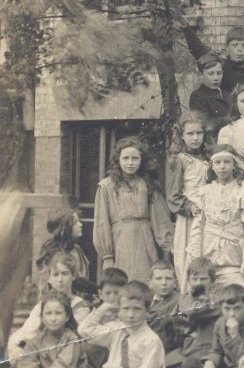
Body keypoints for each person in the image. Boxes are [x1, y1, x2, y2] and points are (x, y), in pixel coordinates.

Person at [93, 136, 173, 283]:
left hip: (145, 241)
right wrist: (107, 256)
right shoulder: (106, 187)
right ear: (118, 160)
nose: (130, 163)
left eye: (135, 158)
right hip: (121, 243)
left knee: (146, 283)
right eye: (126, 158)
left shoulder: (147, 185)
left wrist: (167, 247)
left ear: (141, 160)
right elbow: (101, 223)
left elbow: (160, 219)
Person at [186, 145, 244, 291]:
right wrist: (196, 261)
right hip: (208, 259)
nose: (222, 167)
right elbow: (197, 228)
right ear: (212, 166)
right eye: (217, 162)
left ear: (234, 165)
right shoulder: (204, 191)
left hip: (234, 260)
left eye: (227, 162)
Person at [76, 281, 166, 368]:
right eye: (126, 308)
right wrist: (104, 308)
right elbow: (84, 330)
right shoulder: (117, 330)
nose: (131, 315)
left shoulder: (151, 341)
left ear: (147, 311)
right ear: (119, 310)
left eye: (137, 309)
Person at [8, 253, 91, 361]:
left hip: (67, 358)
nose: (60, 279)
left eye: (65, 274)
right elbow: (26, 331)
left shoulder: (80, 307)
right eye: (56, 275)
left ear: (73, 276)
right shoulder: (42, 305)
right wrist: (15, 347)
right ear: (49, 279)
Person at [167, 113, 211, 290]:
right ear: (182, 136)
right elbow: (173, 195)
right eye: (190, 134)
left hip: (209, 215)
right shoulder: (179, 160)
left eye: (199, 133)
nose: (195, 138)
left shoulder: (208, 159)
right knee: (187, 259)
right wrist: (188, 207)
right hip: (189, 218)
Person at [11, 291, 89, 368]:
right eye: (48, 313)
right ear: (42, 317)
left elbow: (61, 367)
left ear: (67, 317)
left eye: (58, 313)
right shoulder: (36, 341)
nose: (53, 318)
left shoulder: (73, 340)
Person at [164, 257, 222, 368]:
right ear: (188, 280)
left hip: (207, 354)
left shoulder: (217, 299)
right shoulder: (184, 298)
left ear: (212, 281)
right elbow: (173, 322)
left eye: (203, 279)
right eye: (194, 279)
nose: (198, 283)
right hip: (187, 351)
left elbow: (195, 312)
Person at [197, 283, 244, 368]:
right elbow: (216, 350)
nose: (232, 314)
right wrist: (210, 361)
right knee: (189, 364)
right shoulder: (220, 323)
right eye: (227, 309)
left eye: (237, 308)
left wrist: (234, 335)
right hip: (225, 367)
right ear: (221, 308)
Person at [182, 25, 244, 103]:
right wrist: (186, 29)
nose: (239, 49)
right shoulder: (222, 65)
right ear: (227, 47)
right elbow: (200, 52)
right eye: (235, 45)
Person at [35, 209, 92, 297]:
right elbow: (76, 280)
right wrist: (96, 289)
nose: (80, 225)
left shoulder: (77, 250)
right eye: (75, 222)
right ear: (65, 227)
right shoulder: (53, 252)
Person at [84, 267, 129, 368]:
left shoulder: (128, 315)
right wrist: (103, 309)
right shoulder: (96, 313)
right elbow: (83, 331)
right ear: (100, 294)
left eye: (117, 293)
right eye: (108, 293)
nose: (112, 297)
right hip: (95, 361)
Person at [189, 52, 230, 140]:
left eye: (219, 73)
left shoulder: (228, 94)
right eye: (210, 74)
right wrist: (231, 119)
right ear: (201, 75)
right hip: (212, 141)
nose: (216, 78)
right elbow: (206, 125)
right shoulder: (197, 97)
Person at [148, 260, 180, 351]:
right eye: (158, 278)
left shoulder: (179, 301)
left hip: (169, 349)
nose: (164, 283)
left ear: (175, 283)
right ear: (150, 282)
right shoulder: (144, 301)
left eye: (168, 278)